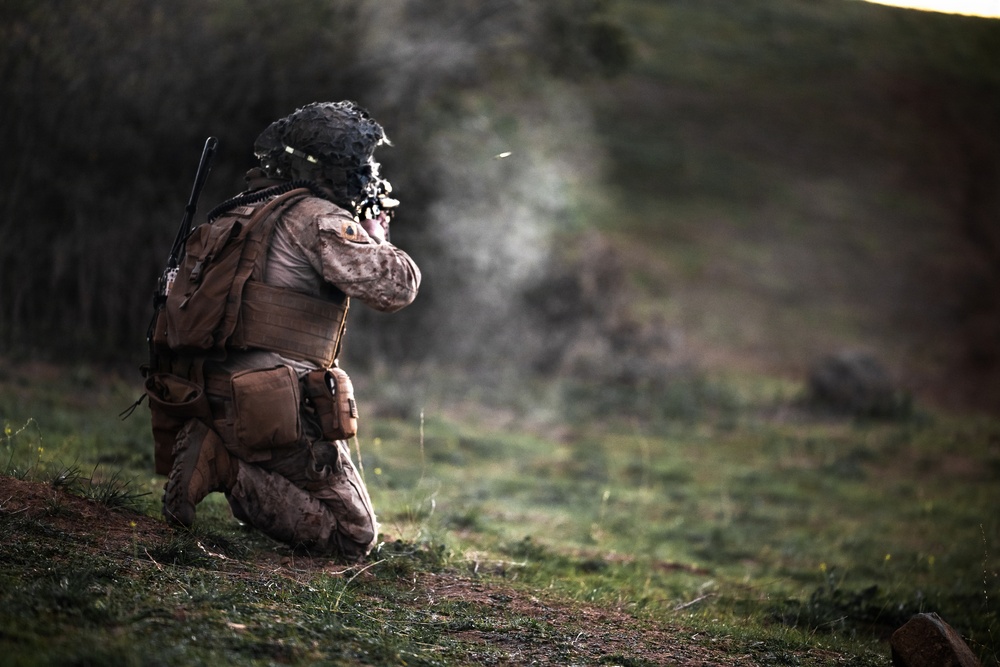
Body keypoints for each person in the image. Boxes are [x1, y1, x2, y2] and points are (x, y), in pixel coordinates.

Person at [155, 101, 420, 562]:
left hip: (202, 393)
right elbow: (395, 288)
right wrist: (379, 235)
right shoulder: (319, 218)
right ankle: (226, 465)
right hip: (267, 408)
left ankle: (220, 450)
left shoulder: (240, 212)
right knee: (352, 538)